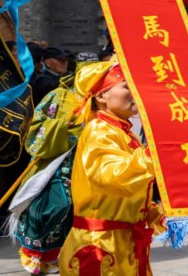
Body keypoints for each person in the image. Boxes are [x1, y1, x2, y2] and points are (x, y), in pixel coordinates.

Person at [58, 60, 164, 276]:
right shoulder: (99, 131)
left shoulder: (123, 132)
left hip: (123, 243)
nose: (135, 92)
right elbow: (113, 178)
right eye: (127, 86)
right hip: (99, 248)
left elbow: (125, 193)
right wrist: (154, 153)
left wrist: (153, 212)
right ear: (101, 96)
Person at [8, 52, 98, 274]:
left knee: (80, 213)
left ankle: (60, 255)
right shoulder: (60, 96)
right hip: (58, 162)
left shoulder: (103, 99)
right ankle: (34, 252)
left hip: (90, 163)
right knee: (57, 205)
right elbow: (39, 126)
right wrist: (65, 127)